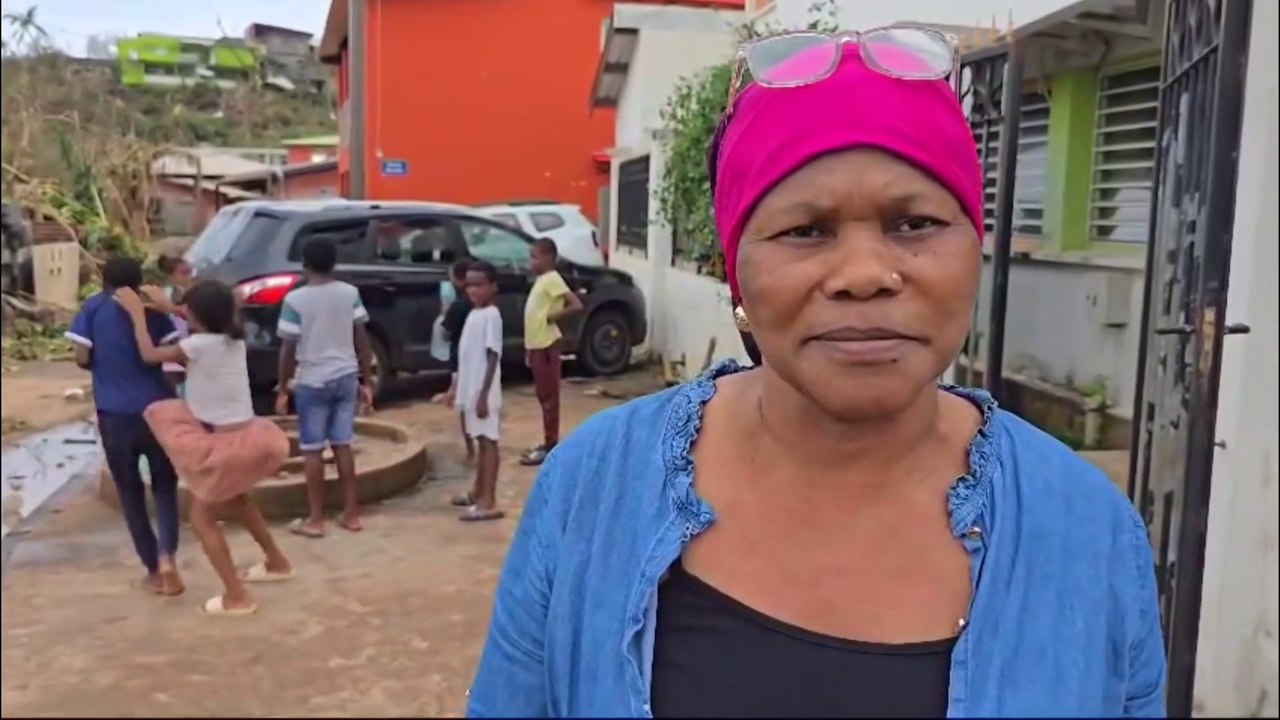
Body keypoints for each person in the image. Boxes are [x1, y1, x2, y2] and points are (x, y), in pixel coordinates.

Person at [466, 32, 1165, 718]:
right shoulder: (594, 487)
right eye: (806, 231)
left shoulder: (1088, 531)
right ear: (736, 270)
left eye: (914, 223)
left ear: (973, 250)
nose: (864, 275)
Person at [115, 280, 294, 617]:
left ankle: (237, 596)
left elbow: (149, 355)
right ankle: (277, 562)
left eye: (188, 312)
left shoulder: (195, 345)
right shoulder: (233, 340)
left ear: (197, 317)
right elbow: (204, 322)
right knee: (238, 500)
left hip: (225, 446)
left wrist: (138, 315)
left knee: (201, 518)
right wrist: (170, 309)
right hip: (251, 435)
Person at [65, 256, 185, 596]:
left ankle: (152, 570)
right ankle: (168, 558)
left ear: (104, 280)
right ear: (139, 279)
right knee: (165, 487)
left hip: (114, 414)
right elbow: (171, 352)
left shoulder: (93, 308)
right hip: (157, 408)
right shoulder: (152, 308)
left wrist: (104, 365)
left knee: (130, 493)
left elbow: (81, 356)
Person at [275, 237, 375, 538]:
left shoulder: (295, 300)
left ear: (305, 264)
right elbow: (362, 338)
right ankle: (351, 513)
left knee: (312, 449)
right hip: (346, 375)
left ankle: (316, 518)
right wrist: (367, 379)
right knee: (343, 443)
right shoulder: (349, 293)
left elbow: (287, 349)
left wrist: (282, 386)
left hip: (312, 379)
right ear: (334, 262)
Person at [449, 261, 504, 522]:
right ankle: (478, 491)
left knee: (488, 442)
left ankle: (488, 500)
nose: (473, 290)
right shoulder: (474, 314)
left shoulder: (491, 315)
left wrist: (483, 394)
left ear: (493, 287)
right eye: (469, 284)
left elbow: (493, 355)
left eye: (479, 285)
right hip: (472, 388)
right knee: (481, 441)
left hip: (484, 390)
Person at [519, 237, 582, 466]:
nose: (531, 262)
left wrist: (553, 316)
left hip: (547, 345)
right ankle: (548, 441)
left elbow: (575, 304)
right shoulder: (542, 280)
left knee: (549, 398)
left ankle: (551, 445)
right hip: (537, 345)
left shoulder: (553, 279)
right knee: (543, 396)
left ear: (548, 257)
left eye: (534, 257)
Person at [441, 260, 476, 463]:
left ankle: (471, 449)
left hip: (460, 360)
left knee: (464, 406)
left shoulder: (457, 306)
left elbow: (445, 334)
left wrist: (444, 314)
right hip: (475, 359)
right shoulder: (477, 303)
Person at [153, 255, 195, 392]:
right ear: (171, 277)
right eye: (184, 273)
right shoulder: (163, 296)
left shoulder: (199, 292)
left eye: (190, 271)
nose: (189, 276)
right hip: (173, 353)